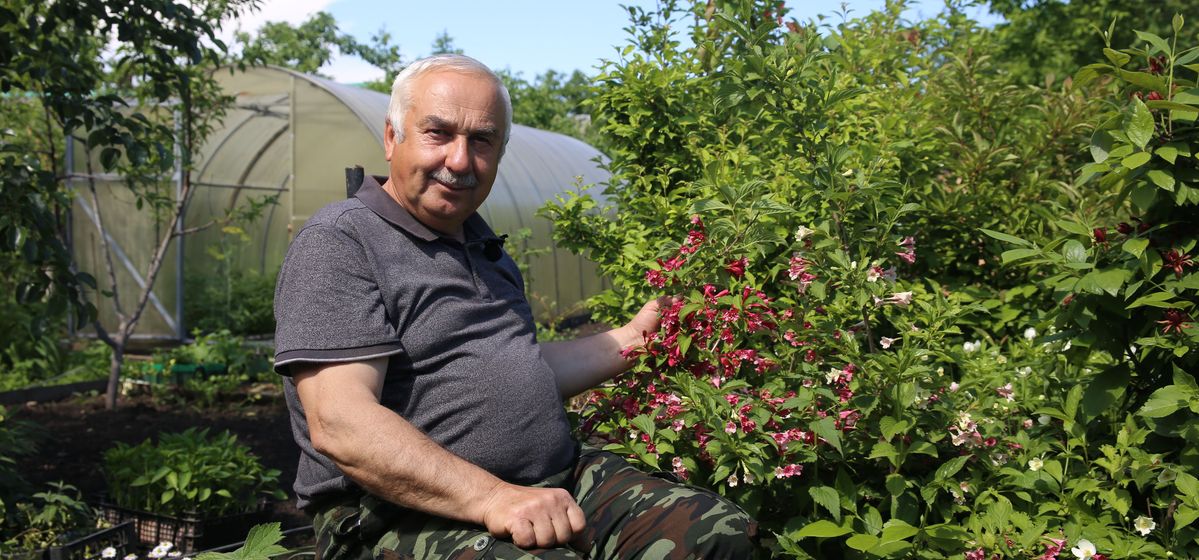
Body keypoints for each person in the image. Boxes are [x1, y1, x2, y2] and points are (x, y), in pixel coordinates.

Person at [274, 54, 757, 559]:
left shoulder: (481, 245)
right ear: (393, 138)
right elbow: (342, 422)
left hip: (547, 481)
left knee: (716, 534)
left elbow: (516, 364)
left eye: (481, 141)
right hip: (398, 513)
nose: (460, 160)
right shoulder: (342, 241)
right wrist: (494, 498)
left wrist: (637, 337)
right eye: (439, 133)